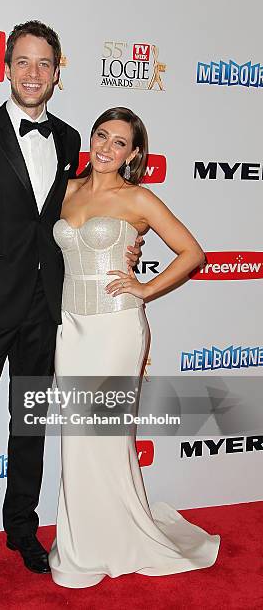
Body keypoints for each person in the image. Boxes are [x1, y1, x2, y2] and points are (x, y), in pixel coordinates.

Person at [0, 23, 143, 591]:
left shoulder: (74, 138)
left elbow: (83, 211)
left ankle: (22, 529)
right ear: (6, 66)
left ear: (57, 70)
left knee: (29, 424)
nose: (32, 73)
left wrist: (127, 243)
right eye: (23, 62)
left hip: (47, 310)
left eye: (44, 63)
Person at [49, 107, 220, 588]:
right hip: (70, 327)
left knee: (103, 436)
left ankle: (115, 538)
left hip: (116, 329)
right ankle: (84, 537)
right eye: (101, 136)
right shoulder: (64, 191)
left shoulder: (139, 198)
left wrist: (144, 288)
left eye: (119, 142)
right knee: (78, 440)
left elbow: (193, 252)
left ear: (134, 153)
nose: (106, 147)